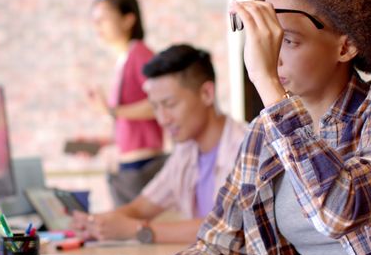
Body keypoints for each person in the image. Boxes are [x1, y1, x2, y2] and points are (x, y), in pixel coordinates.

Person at [65, 0, 371, 255]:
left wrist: (267, 85)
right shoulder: (265, 135)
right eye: (267, 42)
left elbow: (340, 209)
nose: (272, 59)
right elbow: (220, 244)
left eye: (289, 42)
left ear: (345, 46)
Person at [73, 44, 247, 243]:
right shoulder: (185, 151)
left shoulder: (247, 147)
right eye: (155, 107)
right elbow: (140, 208)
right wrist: (96, 223)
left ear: (206, 93)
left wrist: (138, 230)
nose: (163, 119)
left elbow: (227, 227)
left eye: (170, 105)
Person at [88, 0, 165, 206]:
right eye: (94, 20)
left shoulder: (139, 53)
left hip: (141, 166)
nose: (97, 26)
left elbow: (159, 102)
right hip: (129, 165)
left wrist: (112, 111)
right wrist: (103, 142)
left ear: (128, 19)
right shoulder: (125, 59)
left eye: (103, 19)